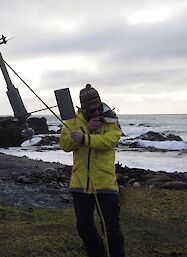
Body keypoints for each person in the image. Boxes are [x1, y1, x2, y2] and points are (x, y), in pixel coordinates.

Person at [60, 84, 125, 257]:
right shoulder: (72, 122)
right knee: (84, 226)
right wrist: (84, 129)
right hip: (80, 184)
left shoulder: (111, 120)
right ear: (83, 108)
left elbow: (109, 142)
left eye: (98, 108)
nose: (96, 113)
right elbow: (65, 144)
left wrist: (85, 138)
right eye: (91, 110)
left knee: (111, 229)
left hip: (105, 184)